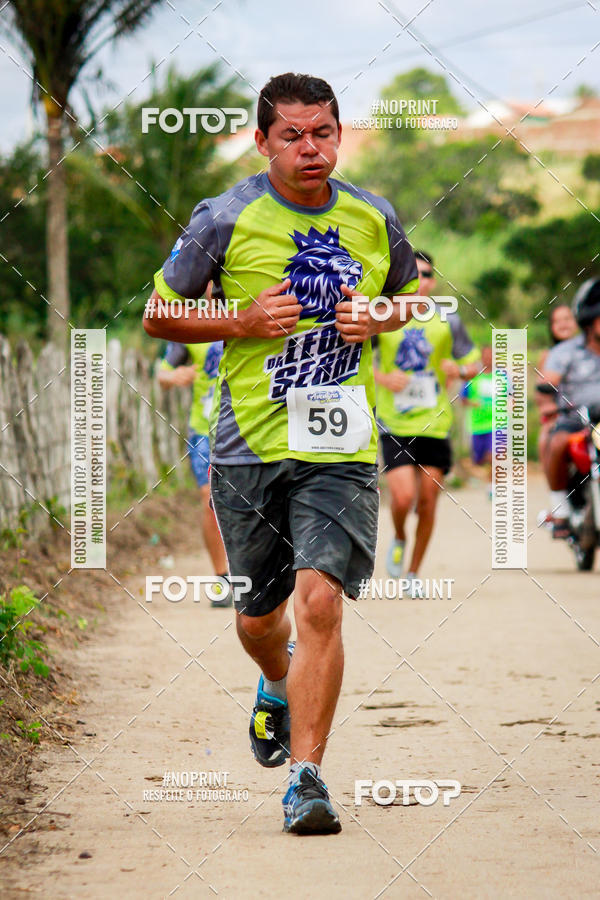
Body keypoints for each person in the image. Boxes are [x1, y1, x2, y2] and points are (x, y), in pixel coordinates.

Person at [143, 72, 419, 834]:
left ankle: (307, 779)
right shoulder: (225, 217)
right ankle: (275, 679)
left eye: (322, 132)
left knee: (321, 600)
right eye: (292, 135)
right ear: (262, 140)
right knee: (260, 620)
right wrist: (239, 321)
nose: (310, 148)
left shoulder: (374, 216)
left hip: (339, 443)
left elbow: (409, 298)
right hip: (248, 447)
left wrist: (380, 316)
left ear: (340, 135)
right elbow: (159, 313)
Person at [374, 250, 480, 591]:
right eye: (415, 273)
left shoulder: (448, 319)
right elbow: (356, 357)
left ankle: (413, 574)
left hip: (435, 423)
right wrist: (382, 378)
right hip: (395, 423)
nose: (422, 280)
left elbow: (475, 364)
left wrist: (459, 370)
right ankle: (400, 536)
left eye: (428, 274)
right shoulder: (383, 313)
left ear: (434, 281)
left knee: (428, 501)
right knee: (403, 498)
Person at [158, 337, 230, 607]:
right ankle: (222, 578)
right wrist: (172, 376)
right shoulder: (195, 325)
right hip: (204, 430)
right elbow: (162, 374)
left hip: (248, 426)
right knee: (210, 499)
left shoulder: (255, 318)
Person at [542, 278, 600, 539]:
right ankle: (562, 510)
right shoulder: (566, 351)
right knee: (556, 443)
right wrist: (547, 395)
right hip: (576, 419)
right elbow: (548, 380)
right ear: (589, 321)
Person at [535, 304, 578, 468]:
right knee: (546, 441)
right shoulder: (548, 356)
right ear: (551, 327)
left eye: (567, 319)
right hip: (560, 415)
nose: (563, 324)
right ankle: (555, 483)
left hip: (588, 413)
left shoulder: (589, 351)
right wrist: (548, 407)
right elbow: (540, 391)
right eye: (557, 321)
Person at [461, 345, 494, 494]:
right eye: (486, 355)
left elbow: (511, 396)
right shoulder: (473, 377)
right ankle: (478, 475)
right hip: (477, 424)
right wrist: (473, 403)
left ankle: (492, 486)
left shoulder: (502, 376)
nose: (489, 358)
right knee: (479, 460)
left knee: (494, 456)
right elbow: (463, 399)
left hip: (497, 423)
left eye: (491, 355)